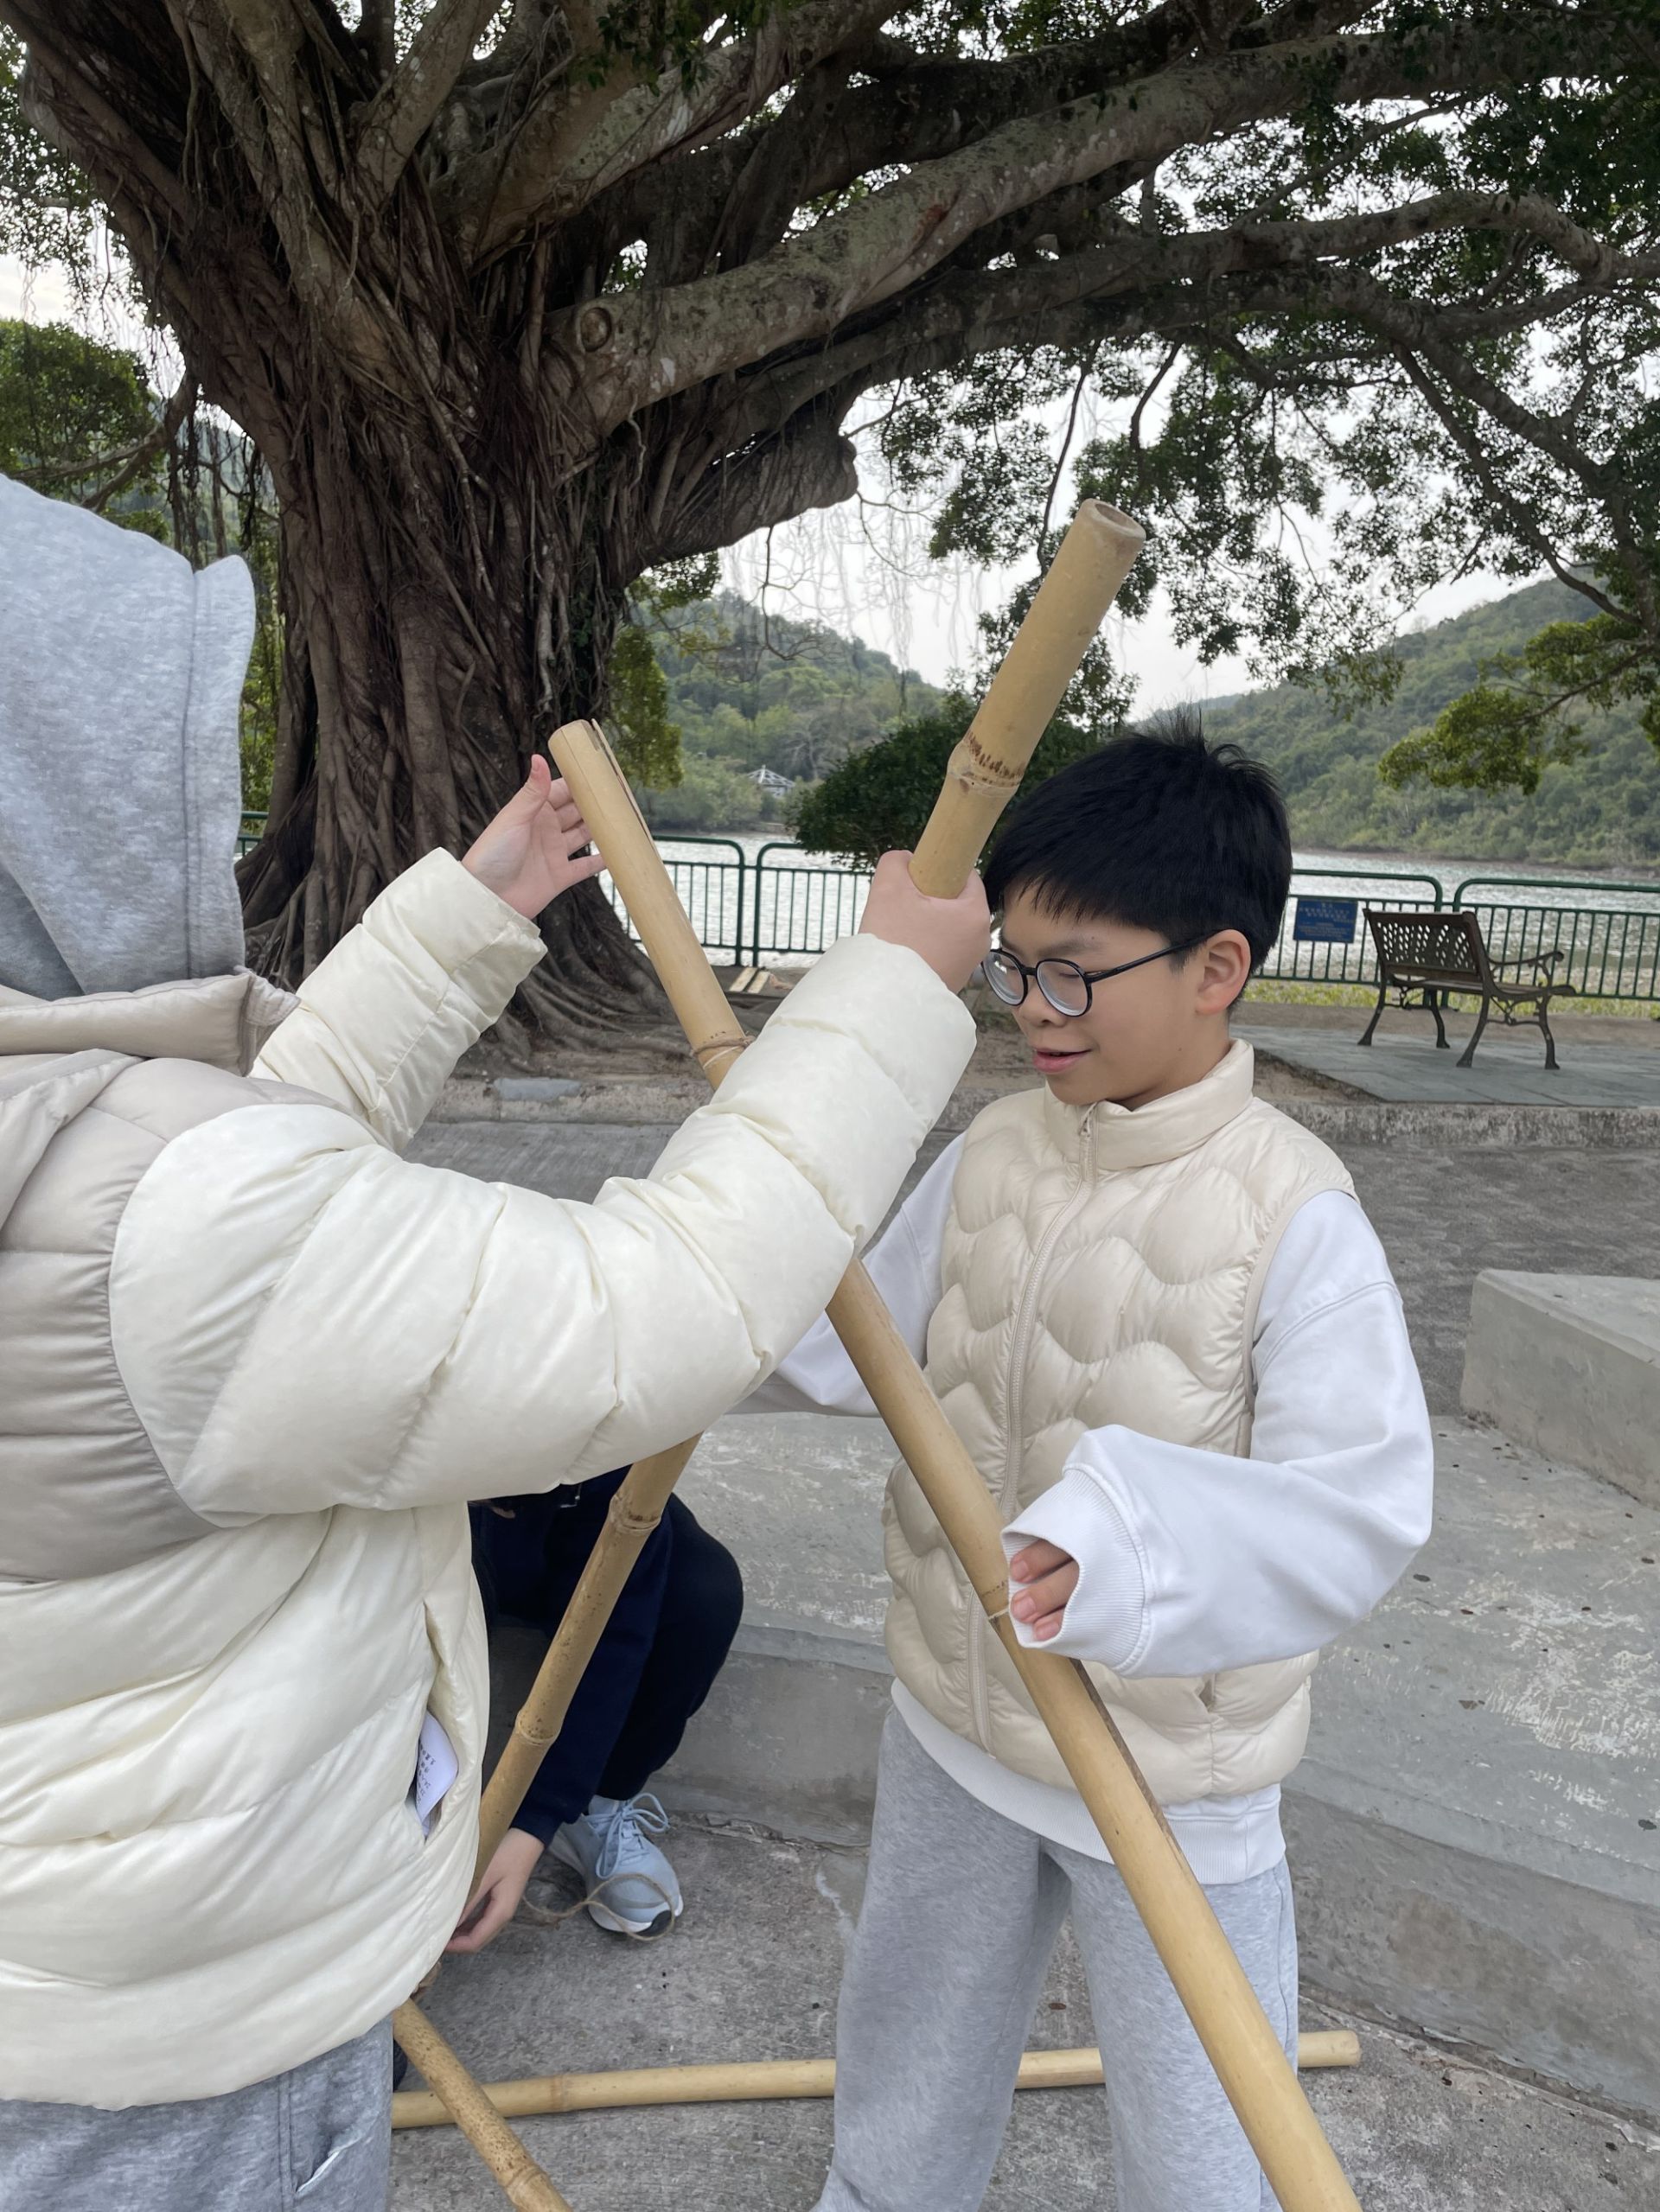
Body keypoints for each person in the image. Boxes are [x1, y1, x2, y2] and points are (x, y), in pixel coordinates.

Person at [0, 471, 988, 2212]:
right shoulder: (170, 1223)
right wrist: (894, 987)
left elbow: (228, 1151)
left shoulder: (77, 1158)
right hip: (169, 2053)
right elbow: (655, 1310)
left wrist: (483, 901)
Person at [749, 717, 1434, 2212]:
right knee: (905, 2071)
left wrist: (1124, 1547)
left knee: (1209, 2143)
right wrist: (678, 1311)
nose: (1036, 1012)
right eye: (1015, 966)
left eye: (1075, 972)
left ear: (1216, 966)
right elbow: (845, 1340)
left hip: (1168, 1774)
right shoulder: (998, 1145)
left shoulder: (1294, 1209)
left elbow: (1358, 1509)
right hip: (952, 1715)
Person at [449, 1477, 744, 1949]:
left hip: (580, 1496)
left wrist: (537, 1820)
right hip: (427, 1505)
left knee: (703, 1594)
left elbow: (615, 1634)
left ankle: (596, 1805)